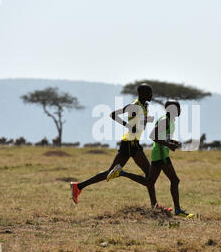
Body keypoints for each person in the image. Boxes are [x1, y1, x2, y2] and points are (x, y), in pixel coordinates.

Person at [70, 83, 169, 211]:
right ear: (143, 94)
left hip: (133, 143)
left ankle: (79, 186)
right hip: (129, 143)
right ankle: (154, 205)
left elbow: (139, 121)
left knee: (114, 172)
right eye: (149, 93)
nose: (151, 95)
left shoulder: (144, 106)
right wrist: (128, 126)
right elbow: (113, 115)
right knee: (147, 175)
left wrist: (146, 121)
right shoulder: (134, 106)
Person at [106, 101, 194, 218]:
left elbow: (163, 137)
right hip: (161, 154)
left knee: (149, 182)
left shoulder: (170, 121)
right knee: (174, 180)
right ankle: (177, 210)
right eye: (177, 108)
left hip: (159, 153)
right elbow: (153, 135)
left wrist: (173, 142)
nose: (180, 110)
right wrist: (168, 145)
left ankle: (121, 172)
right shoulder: (165, 120)